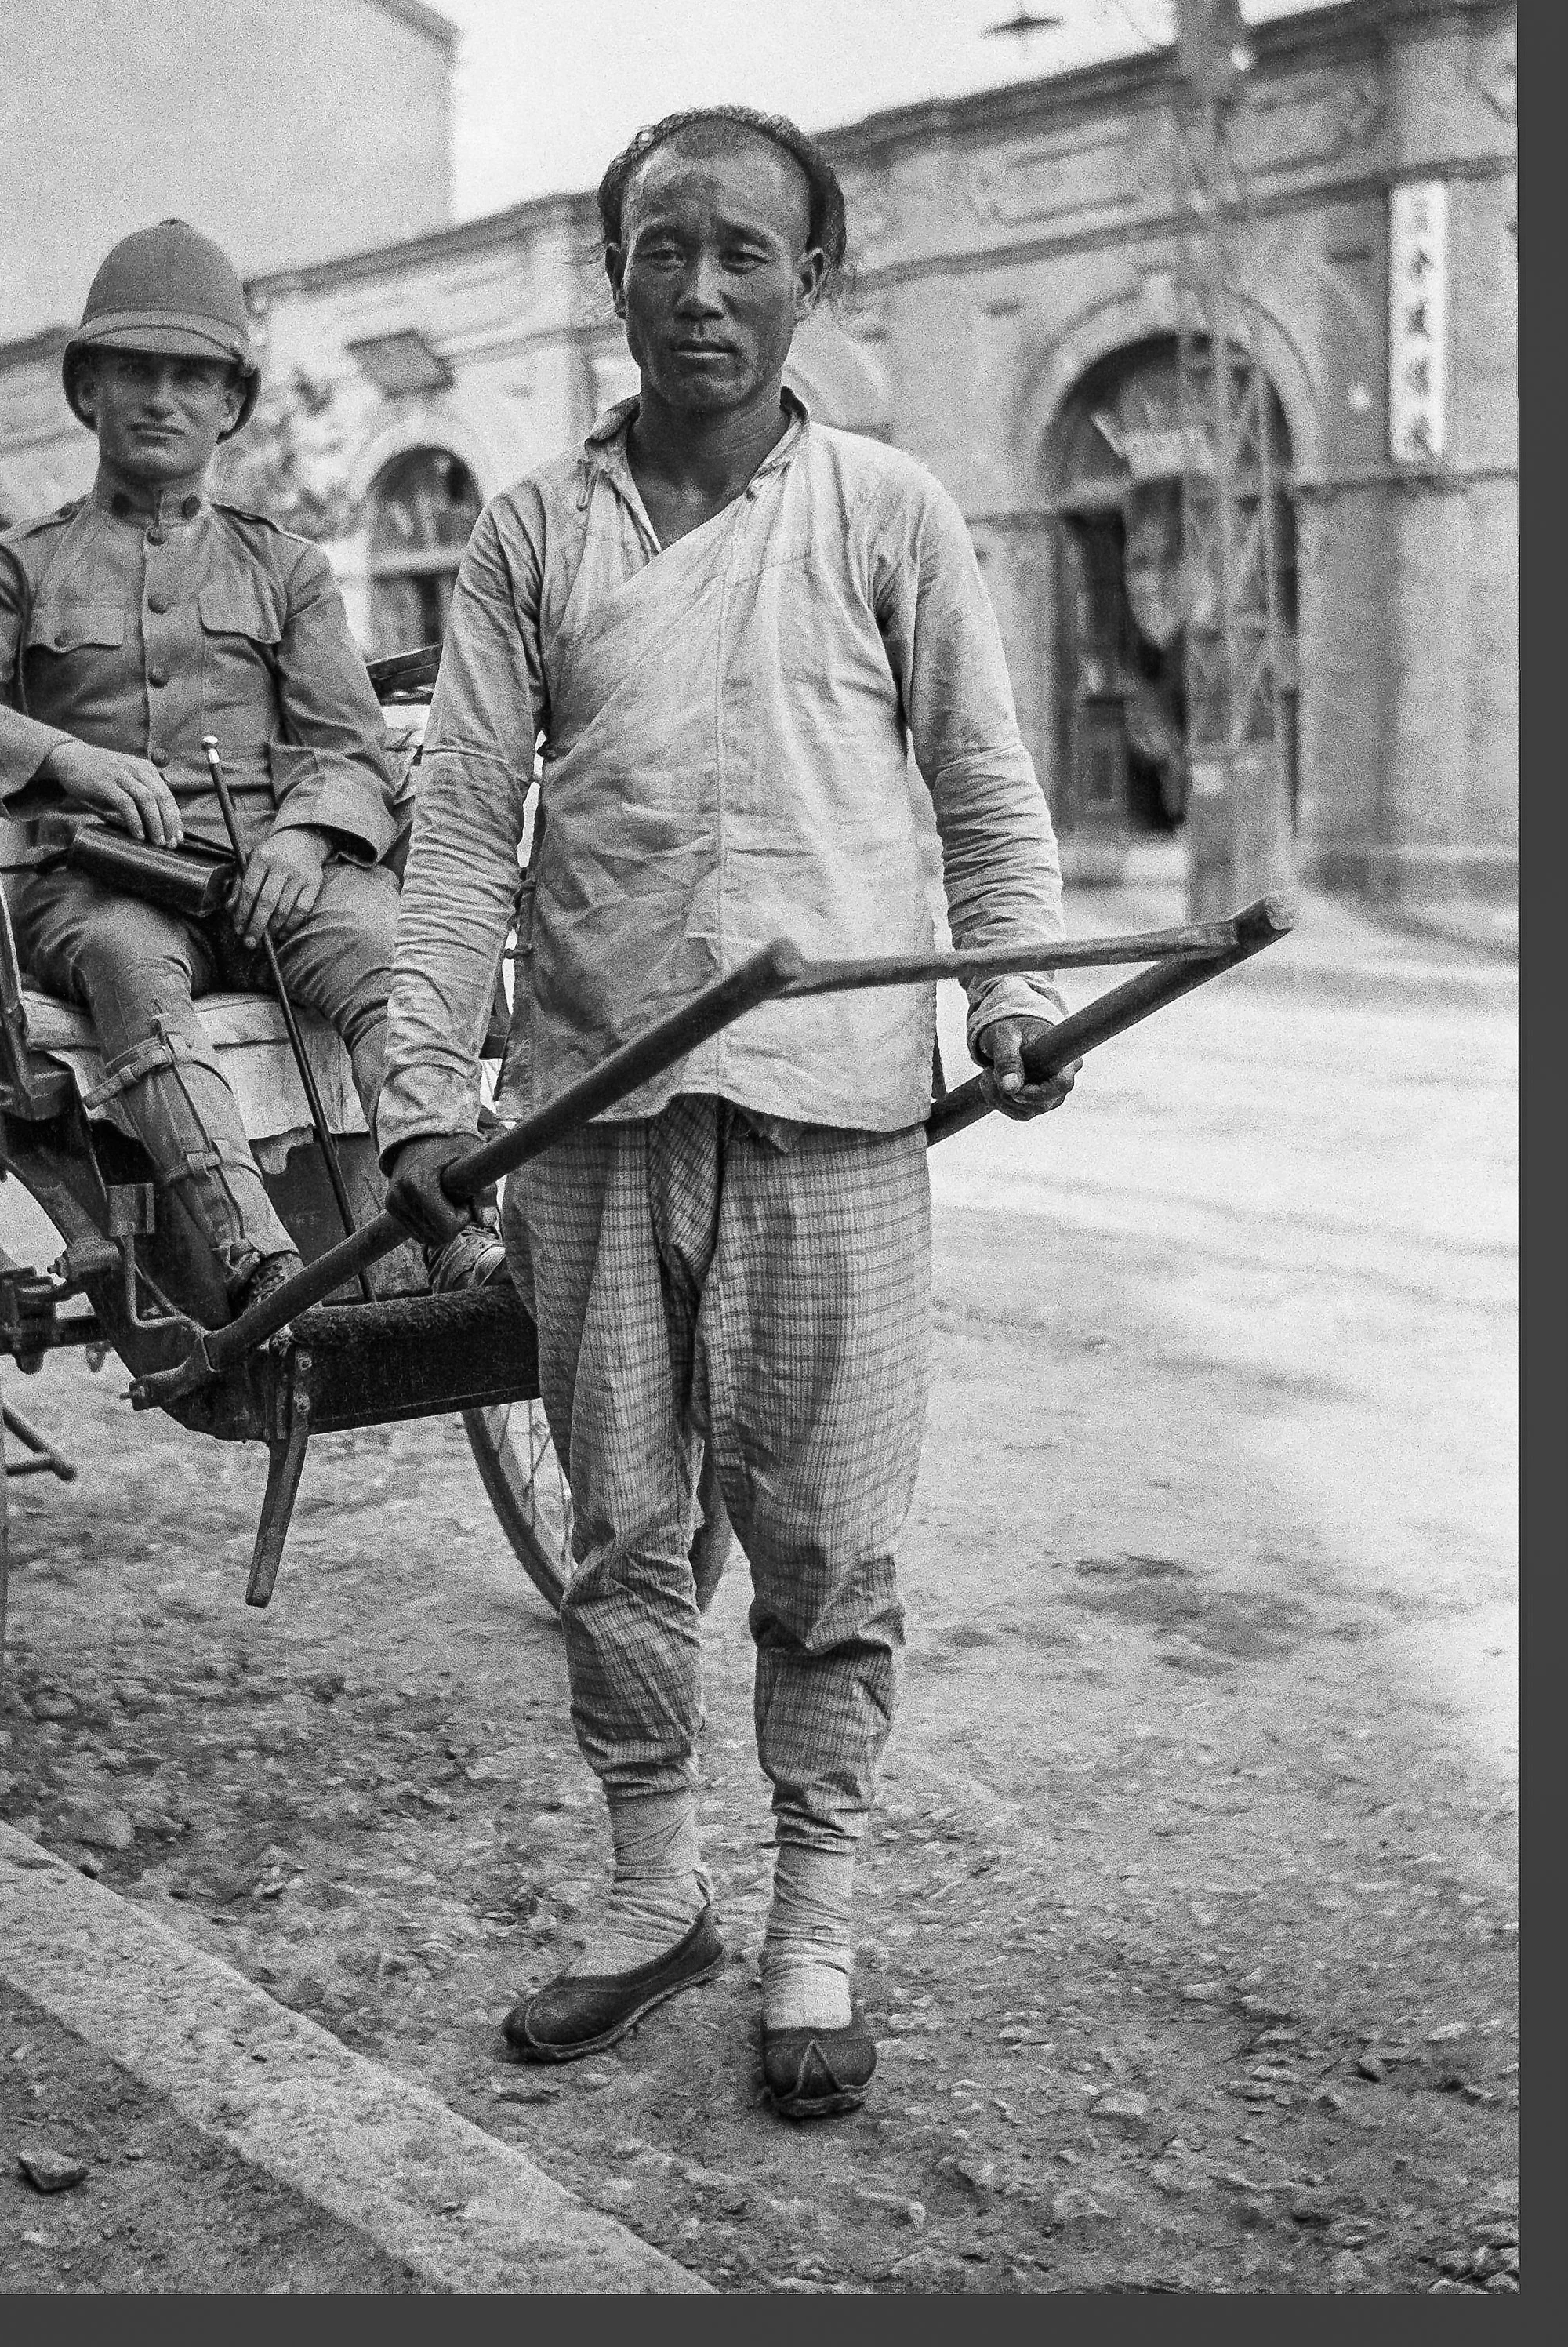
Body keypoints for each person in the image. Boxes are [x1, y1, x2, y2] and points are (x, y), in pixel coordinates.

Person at [379, 108, 1080, 2120]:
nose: (697, 290)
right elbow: (456, 837)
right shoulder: (529, 531)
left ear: (812, 278)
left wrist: (1014, 1001)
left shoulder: (885, 509)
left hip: (831, 1111)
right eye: (659, 250)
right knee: (620, 1539)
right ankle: (645, 1889)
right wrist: (430, 1083)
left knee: (829, 1548)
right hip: (592, 1113)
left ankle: (814, 1925)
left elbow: (984, 802)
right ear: (612, 278)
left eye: (743, 254)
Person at [0, 216, 500, 1317]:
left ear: (231, 406)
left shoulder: (286, 568)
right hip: (106, 888)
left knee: (388, 953)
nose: (162, 399)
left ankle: (449, 1218)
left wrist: (306, 839)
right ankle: (256, 1263)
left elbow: (351, 747)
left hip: (282, 882)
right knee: (128, 964)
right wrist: (63, 756)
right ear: (89, 396)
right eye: (134, 373)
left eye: (191, 378)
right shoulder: (16, 569)